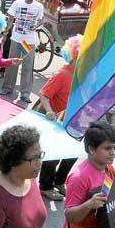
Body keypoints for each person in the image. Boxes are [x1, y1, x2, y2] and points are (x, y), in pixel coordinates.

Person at [37, 35, 82, 201]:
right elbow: (43, 94)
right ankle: (45, 186)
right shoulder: (62, 74)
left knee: (73, 152)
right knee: (53, 155)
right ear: (75, 56)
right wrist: (49, 111)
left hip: (74, 121)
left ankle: (59, 181)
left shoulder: (81, 77)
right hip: (57, 123)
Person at [0, 0, 44, 106]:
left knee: (27, 67)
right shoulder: (17, 4)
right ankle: (7, 88)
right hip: (16, 38)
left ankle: (25, 94)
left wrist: (36, 25)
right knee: (12, 63)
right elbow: (10, 19)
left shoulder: (39, 6)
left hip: (29, 41)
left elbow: (41, 20)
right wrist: (5, 33)